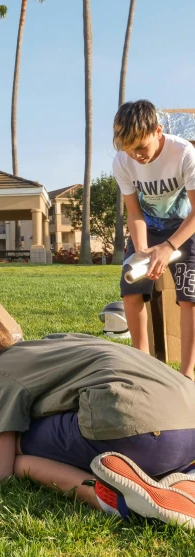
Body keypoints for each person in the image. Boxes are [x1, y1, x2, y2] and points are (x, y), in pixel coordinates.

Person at [0, 315, 195, 528]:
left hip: (139, 431)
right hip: (186, 429)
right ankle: (182, 482)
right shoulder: (53, 343)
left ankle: (106, 498)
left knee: (17, 455)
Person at [112, 100, 195, 378]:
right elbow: (134, 212)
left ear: (158, 131)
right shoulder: (122, 161)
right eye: (129, 148)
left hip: (184, 227)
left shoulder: (183, 153)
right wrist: (144, 250)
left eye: (141, 147)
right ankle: (144, 368)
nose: (136, 155)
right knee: (131, 287)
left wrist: (170, 246)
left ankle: (186, 374)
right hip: (147, 228)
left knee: (190, 297)